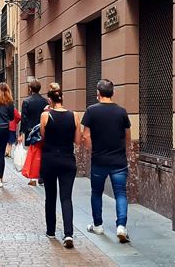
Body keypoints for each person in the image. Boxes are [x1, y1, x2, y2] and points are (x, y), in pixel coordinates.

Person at [82, 79, 132, 243]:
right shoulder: (122, 112)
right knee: (121, 194)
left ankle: (98, 225)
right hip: (119, 161)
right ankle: (121, 227)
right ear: (113, 93)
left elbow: (86, 135)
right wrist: (125, 151)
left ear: (98, 93)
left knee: (96, 193)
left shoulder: (91, 111)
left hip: (99, 160)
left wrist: (92, 151)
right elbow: (128, 136)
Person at [40, 82, 81, 249]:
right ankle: (68, 233)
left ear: (50, 100)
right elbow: (77, 141)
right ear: (62, 98)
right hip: (67, 160)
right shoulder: (74, 115)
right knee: (66, 197)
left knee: (50, 196)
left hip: (49, 159)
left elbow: (42, 138)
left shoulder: (45, 116)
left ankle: (51, 230)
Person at [18, 79, 49, 186]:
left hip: (31, 131)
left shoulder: (26, 101)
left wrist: (21, 133)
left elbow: (24, 119)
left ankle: (32, 178)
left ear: (30, 89)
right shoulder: (45, 101)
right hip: (43, 130)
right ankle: (41, 176)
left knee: (32, 154)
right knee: (42, 153)